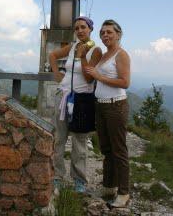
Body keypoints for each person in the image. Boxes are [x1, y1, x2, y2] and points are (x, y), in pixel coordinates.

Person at [49, 16, 102, 193]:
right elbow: (53, 55)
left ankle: (79, 179)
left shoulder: (95, 50)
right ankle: (57, 175)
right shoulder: (72, 47)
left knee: (79, 142)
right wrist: (57, 73)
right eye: (77, 28)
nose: (79, 31)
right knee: (59, 138)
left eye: (83, 27)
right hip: (63, 96)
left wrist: (82, 57)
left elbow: (89, 77)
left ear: (90, 29)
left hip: (82, 100)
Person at [85, 19, 130, 208]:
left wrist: (100, 77)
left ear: (118, 34)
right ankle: (109, 186)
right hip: (101, 106)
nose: (105, 35)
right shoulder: (103, 55)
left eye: (109, 32)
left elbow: (125, 82)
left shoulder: (121, 55)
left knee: (119, 150)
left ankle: (124, 192)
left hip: (115, 106)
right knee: (106, 149)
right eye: (102, 33)